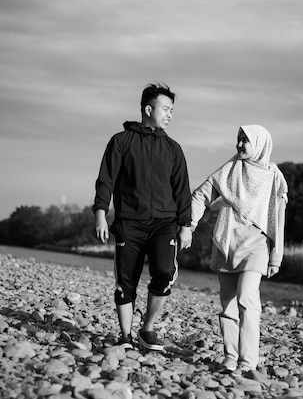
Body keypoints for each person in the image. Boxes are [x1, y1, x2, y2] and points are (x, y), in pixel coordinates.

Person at [93, 82, 192, 351]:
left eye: (172, 110)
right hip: (129, 222)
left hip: (164, 223)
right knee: (126, 281)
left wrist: (186, 225)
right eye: (166, 108)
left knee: (164, 271)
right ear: (149, 109)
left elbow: (182, 189)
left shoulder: (173, 149)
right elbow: (106, 180)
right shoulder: (121, 142)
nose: (170, 114)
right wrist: (101, 213)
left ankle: (147, 329)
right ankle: (125, 336)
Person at [190, 124, 288, 374]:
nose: (240, 144)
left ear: (260, 144)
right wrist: (188, 225)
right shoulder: (229, 169)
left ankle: (248, 361)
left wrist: (276, 256)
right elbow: (200, 195)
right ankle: (231, 358)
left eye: (246, 140)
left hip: (257, 244)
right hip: (227, 242)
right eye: (239, 139)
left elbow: (278, 217)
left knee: (247, 298)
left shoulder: (274, 175)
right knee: (228, 306)